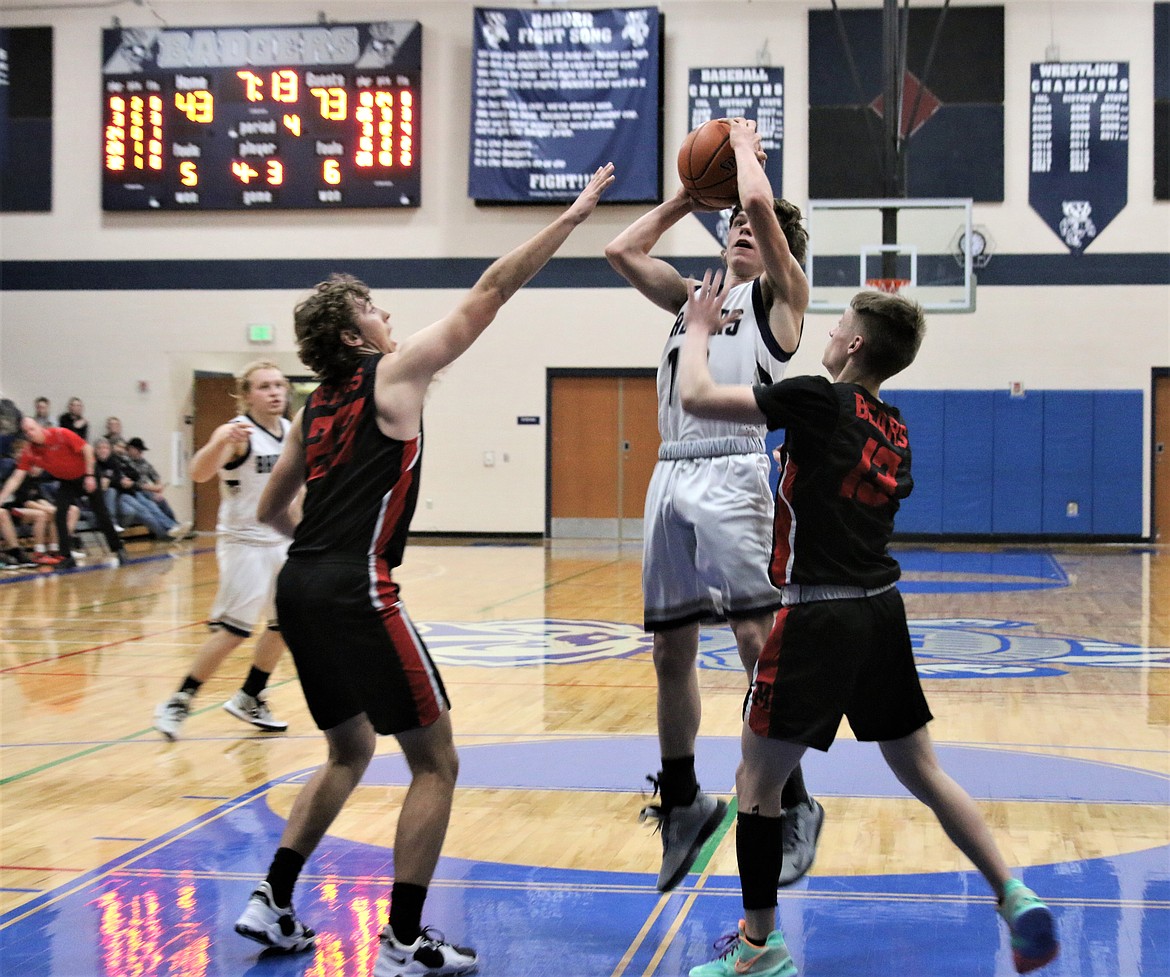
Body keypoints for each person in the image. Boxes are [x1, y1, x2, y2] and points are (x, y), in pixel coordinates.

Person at [233, 164, 614, 975]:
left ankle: (271, 898)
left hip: (298, 586)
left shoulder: (310, 406)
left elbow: (270, 510)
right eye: (373, 307)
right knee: (436, 761)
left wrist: (324, 547)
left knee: (346, 751)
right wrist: (576, 215)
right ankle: (405, 940)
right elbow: (490, 289)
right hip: (356, 587)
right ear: (350, 334)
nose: (388, 315)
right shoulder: (392, 373)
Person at [677, 275, 1060, 977]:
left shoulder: (818, 398)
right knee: (923, 769)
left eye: (836, 324)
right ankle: (1013, 890)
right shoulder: (896, 426)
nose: (825, 332)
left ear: (854, 343)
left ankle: (761, 950)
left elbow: (697, 400)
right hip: (881, 609)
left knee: (756, 784)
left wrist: (698, 328)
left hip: (818, 611)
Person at [604, 117, 822, 891]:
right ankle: (683, 799)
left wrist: (742, 161)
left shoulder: (783, 299)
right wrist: (687, 194)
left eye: (751, 228)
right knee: (669, 650)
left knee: (758, 638)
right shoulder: (691, 298)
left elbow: (763, 209)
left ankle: (792, 799)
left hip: (734, 469)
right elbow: (620, 250)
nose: (740, 231)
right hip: (669, 471)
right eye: (729, 224)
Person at [153, 361, 294, 740]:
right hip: (244, 543)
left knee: (286, 625)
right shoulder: (237, 433)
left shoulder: (291, 431)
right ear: (246, 395)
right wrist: (218, 443)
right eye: (265, 386)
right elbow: (199, 473)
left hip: (282, 541)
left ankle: (250, 695)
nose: (275, 392)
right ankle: (179, 700)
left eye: (280, 384)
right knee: (235, 631)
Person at [0, 418, 127, 568]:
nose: (30, 434)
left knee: (101, 513)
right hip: (67, 481)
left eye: (32, 429)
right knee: (60, 514)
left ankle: (118, 548)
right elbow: (17, 477)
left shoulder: (61, 434)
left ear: (39, 427)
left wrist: (90, 476)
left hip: (86, 474)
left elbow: (87, 450)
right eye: (26, 432)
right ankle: (66, 556)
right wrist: (1, 498)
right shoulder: (29, 451)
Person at [94, 437, 184, 540]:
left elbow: (131, 476)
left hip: (129, 491)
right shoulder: (97, 463)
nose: (103, 450)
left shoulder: (115, 461)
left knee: (152, 506)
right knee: (145, 511)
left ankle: (174, 527)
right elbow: (115, 482)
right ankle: (168, 533)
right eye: (100, 448)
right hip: (121, 495)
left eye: (105, 448)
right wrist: (118, 481)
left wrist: (117, 480)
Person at [124, 437, 178, 521]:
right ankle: (171, 527)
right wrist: (151, 488)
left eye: (141, 451)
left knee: (162, 502)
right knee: (152, 506)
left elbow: (156, 478)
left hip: (148, 491)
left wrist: (158, 491)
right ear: (130, 449)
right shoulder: (125, 462)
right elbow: (133, 484)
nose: (140, 453)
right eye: (138, 450)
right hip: (136, 492)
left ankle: (175, 525)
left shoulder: (144, 463)